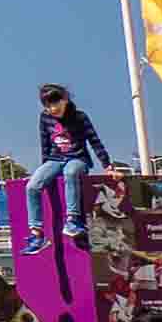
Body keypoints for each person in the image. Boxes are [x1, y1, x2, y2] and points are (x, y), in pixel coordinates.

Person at [26, 83, 114, 247]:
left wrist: (107, 165)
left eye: (55, 103)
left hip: (78, 158)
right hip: (54, 159)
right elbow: (44, 143)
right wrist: (45, 170)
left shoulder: (80, 117)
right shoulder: (45, 118)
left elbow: (94, 141)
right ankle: (36, 234)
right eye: (47, 105)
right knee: (32, 186)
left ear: (65, 99)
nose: (52, 109)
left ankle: (73, 219)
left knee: (71, 172)